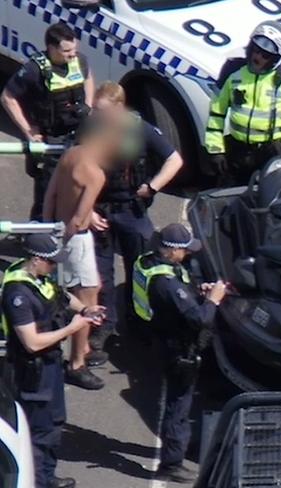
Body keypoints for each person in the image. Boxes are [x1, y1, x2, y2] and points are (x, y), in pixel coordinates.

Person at [1, 233, 105, 488]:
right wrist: (73, 328)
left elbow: (61, 295)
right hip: (32, 372)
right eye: (51, 262)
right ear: (36, 260)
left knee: (54, 422)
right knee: (39, 432)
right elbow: (31, 342)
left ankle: (47, 476)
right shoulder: (18, 294)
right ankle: (37, 481)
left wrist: (85, 310)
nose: (54, 266)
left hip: (50, 365)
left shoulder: (39, 278)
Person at [88, 81, 184, 350]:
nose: (97, 115)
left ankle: (138, 322)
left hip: (132, 209)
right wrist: (88, 210)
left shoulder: (139, 128)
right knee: (101, 274)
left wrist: (152, 186)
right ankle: (104, 326)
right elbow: (79, 169)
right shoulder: (91, 128)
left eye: (102, 110)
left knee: (141, 270)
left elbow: (174, 160)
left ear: (118, 108)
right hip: (102, 211)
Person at [132, 224, 227, 482]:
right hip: (176, 347)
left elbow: (178, 293)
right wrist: (213, 300)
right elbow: (200, 319)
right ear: (171, 251)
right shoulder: (166, 283)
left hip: (158, 335)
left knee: (177, 400)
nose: (187, 254)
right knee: (178, 405)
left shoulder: (147, 262)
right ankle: (172, 463)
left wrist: (197, 291)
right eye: (184, 250)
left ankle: (172, 455)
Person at [42, 114, 122, 390]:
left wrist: (51, 233)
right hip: (76, 239)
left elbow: (50, 195)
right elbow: (79, 218)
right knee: (88, 300)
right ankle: (77, 363)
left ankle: (82, 347)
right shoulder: (95, 173)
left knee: (79, 291)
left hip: (58, 231)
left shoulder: (70, 155)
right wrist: (65, 244)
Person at [204, 21, 281, 186]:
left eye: (265, 55)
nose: (257, 57)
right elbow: (216, 113)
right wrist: (215, 150)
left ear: (275, 58)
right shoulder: (232, 71)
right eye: (255, 50)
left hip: (272, 154)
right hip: (237, 152)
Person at [0, 22, 94, 220]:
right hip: (51, 138)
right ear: (51, 48)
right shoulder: (35, 70)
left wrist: (89, 105)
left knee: (81, 186)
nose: (72, 55)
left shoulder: (79, 60)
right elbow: (8, 97)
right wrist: (28, 131)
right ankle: (38, 239)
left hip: (79, 134)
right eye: (66, 50)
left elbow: (88, 77)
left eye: (74, 49)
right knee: (47, 193)